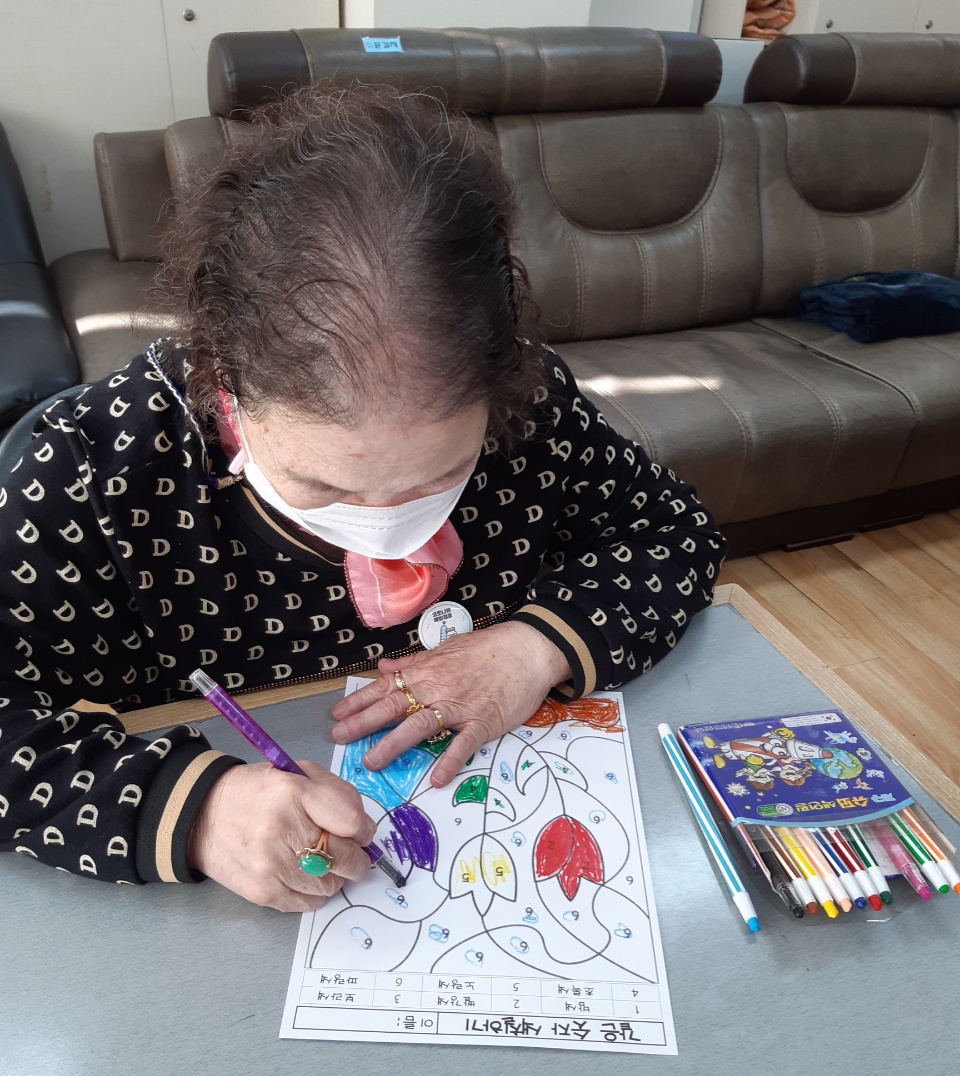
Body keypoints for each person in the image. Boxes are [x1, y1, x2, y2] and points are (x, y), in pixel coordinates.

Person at [0, 85, 725, 911]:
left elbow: (673, 534)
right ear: (220, 376)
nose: (385, 528)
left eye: (437, 476)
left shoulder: (531, 413)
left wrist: (533, 648)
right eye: (323, 485)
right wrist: (198, 810)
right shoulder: (96, 473)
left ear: (501, 380)